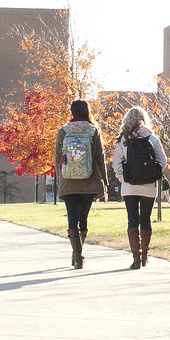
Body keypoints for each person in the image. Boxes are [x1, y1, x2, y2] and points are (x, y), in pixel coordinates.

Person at [111, 105, 168, 269]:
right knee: (146, 220)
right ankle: (145, 254)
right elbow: (162, 161)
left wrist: (124, 179)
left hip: (129, 187)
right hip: (149, 187)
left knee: (132, 220)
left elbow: (116, 164)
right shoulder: (152, 138)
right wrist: (153, 174)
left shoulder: (124, 140)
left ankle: (135, 257)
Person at [54, 100, 108, 269]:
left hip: (69, 182)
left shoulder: (63, 131)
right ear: (87, 111)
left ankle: (77, 255)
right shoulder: (93, 131)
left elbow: (57, 159)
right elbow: (100, 158)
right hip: (89, 182)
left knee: (72, 219)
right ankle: (78, 253)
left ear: (71, 112)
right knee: (83, 219)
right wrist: (104, 181)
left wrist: (60, 179)